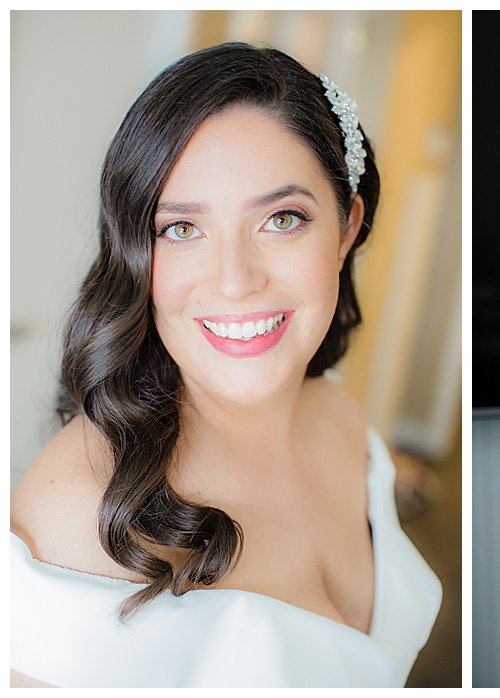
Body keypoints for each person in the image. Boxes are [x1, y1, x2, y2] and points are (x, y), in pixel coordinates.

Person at [9, 42, 441, 687]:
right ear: (134, 253)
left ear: (348, 226)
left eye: (282, 219)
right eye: (181, 229)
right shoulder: (79, 521)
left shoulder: (342, 417)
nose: (235, 282)